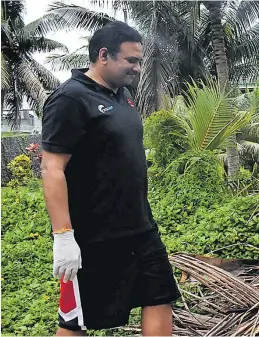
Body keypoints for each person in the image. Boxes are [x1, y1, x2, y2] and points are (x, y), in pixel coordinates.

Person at [41, 22, 180, 335]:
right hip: (94, 235)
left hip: (140, 226)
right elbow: (52, 168)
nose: (138, 68)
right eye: (131, 60)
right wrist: (63, 237)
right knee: (77, 319)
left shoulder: (124, 96)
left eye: (140, 61)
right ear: (103, 55)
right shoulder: (70, 99)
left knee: (160, 296)